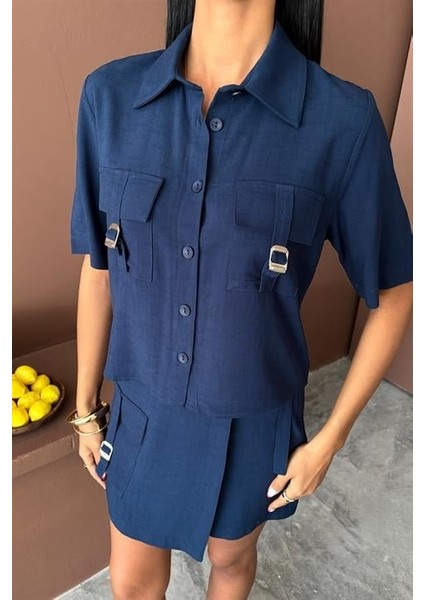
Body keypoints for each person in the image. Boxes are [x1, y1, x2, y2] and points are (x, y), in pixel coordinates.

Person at [68, 0, 413, 598]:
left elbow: (395, 291)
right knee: (132, 583)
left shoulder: (341, 119)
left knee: (231, 560)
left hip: (254, 426)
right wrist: (84, 409)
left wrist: (330, 441)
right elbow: (99, 270)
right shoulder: (111, 97)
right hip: (143, 415)